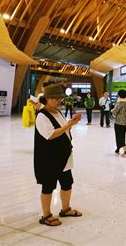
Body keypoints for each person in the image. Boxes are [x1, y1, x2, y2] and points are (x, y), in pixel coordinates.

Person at [34, 84, 83, 226]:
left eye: (60, 98)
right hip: (49, 158)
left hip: (64, 156)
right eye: (56, 98)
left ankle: (66, 209)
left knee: (67, 183)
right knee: (48, 186)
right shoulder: (42, 115)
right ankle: (46, 215)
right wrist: (68, 125)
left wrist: (71, 123)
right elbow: (50, 135)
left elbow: (63, 130)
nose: (59, 101)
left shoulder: (57, 112)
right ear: (47, 99)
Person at [111, 89, 126, 156]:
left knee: (119, 136)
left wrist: (111, 110)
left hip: (119, 122)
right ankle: (118, 149)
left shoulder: (119, 103)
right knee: (122, 135)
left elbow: (114, 112)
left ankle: (125, 150)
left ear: (119, 95)